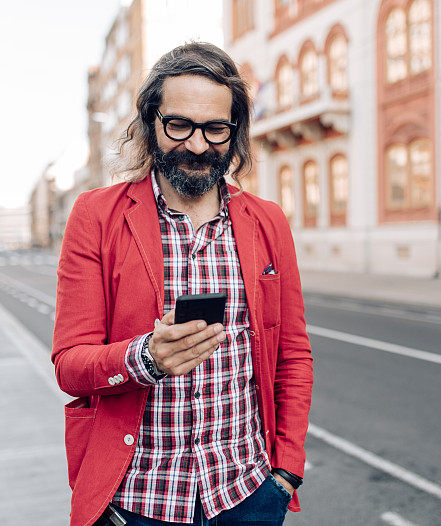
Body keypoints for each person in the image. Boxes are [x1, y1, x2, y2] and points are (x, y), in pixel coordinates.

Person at [52, 43, 314, 526]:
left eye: (216, 128)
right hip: (139, 502)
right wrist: (146, 357)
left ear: (235, 133)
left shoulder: (268, 221)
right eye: (179, 125)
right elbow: (70, 366)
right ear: (151, 122)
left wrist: (286, 472)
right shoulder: (95, 216)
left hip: (248, 494)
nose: (197, 145)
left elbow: (293, 354)